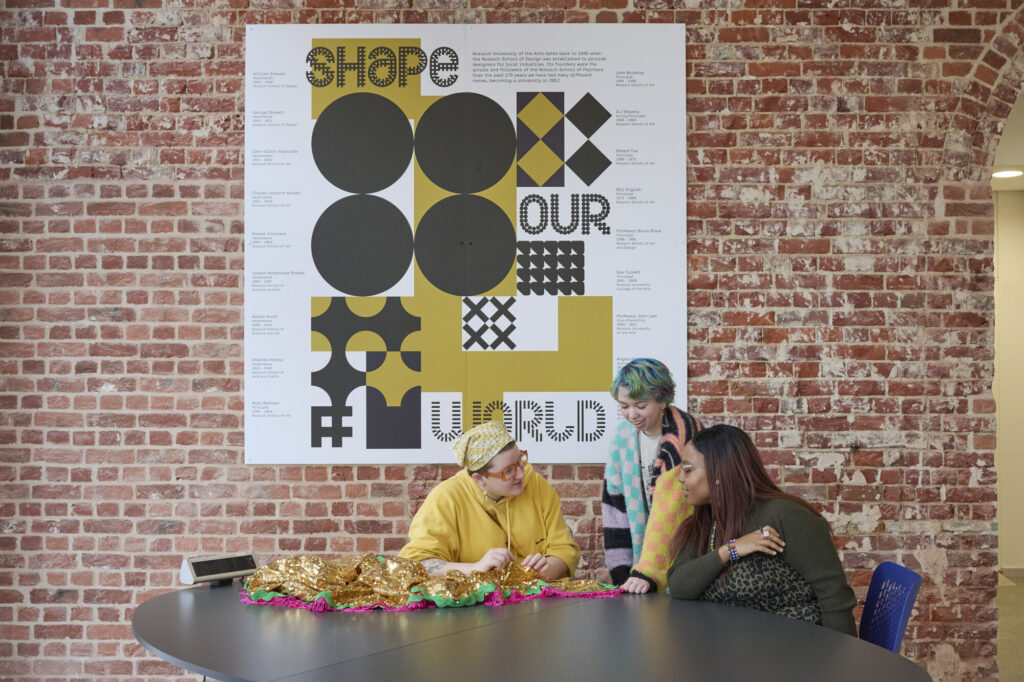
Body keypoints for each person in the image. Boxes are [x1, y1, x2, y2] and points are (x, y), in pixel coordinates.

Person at [666, 424, 857, 635]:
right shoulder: (706, 520)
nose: (680, 477)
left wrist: (842, 653)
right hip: (739, 646)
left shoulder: (784, 515)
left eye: (688, 469)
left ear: (718, 472)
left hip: (799, 645)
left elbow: (834, 597)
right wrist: (729, 550)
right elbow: (679, 585)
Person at [399, 421, 580, 582]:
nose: (521, 474)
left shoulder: (537, 485)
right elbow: (416, 564)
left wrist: (547, 570)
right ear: (479, 479)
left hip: (536, 602)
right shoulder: (446, 498)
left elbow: (564, 548)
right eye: (508, 471)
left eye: (520, 461)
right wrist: (475, 568)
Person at [602, 358, 701, 591]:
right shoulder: (622, 437)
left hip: (683, 562)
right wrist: (621, 572)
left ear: (662, 400)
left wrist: (648, 572)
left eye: (641, 406)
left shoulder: (687, 435)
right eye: (624, 406)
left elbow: (673, 511)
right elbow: (614, 507)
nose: (632, 414)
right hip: (639, 570)